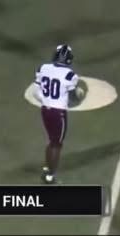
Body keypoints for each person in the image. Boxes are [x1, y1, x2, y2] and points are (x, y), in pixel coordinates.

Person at [34, 44, 84, 184]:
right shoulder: (70, 75)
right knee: (57, 144)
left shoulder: (43, 68)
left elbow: (36, 91)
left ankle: (46, 167)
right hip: (58, 113)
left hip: (45, 110)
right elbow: (74, 97)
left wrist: (46, 100)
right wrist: (79, 94)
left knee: (51, 140)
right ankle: (50, 175)